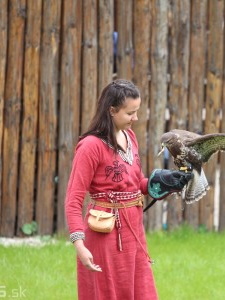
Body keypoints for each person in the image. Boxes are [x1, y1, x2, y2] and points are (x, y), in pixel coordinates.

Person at [65, 79, 193, 300]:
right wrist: (80, 245)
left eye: (137, 111)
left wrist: (163, 182)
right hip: (104, 236)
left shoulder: (129, 137)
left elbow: (136, 185)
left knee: (142, 293)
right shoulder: (90, 146)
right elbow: (73, 200)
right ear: (112, 111)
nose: (135, 118)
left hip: (133, 232)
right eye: (130, 113)